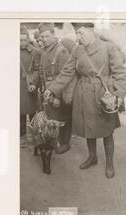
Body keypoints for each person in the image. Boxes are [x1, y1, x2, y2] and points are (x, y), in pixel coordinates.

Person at [44, 23, 126, 178]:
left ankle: (109, 163)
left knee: (106, 131)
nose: (78, 37)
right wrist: (52, 89)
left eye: (80, 33)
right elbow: (66, 73)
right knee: (89, 129)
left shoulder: (107, 47)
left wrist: (119, 96)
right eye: (76, 33)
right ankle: (92, 157)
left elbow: (121, 74)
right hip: (83, 95)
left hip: (103, 95)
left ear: (90, 31)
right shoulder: (77, 50)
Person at [37, 23, 72, 154]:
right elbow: (42, 74)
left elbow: (66, 76)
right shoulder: (45, 52)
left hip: (60, 93)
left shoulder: (61, 51)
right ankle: (54, 140)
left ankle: (65, 143)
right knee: (52, 117)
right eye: (41, 37)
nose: (43, 39)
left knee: (63, 118)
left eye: (46, 36)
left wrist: (57, 96)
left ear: (53, 34)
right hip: (48, 92)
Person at [20, 32, 41, 138]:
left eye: (24, 40)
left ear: (28, 39)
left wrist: (34, 83)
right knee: (20, 109)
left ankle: (34, 131)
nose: (22, 43)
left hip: (30, 84)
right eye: (19, 40)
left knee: (32, 109)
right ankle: (21, 131)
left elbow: (38, 70)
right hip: (19, 85)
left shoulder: (35, 52)